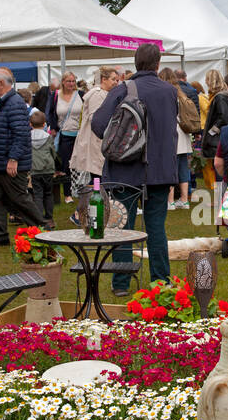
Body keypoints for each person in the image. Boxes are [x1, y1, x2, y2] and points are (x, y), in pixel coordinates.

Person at [90, 43, 178, 296]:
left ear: (136, 62)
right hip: (160, 170)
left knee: (123, 227)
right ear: (158, 64)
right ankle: (161, 282)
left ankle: (121, 283)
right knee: (156, 228)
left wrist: (120, 142)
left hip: (125, 168)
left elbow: (98, 124)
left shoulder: (122, 89)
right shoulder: (169, 91)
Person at [0, 67, 47, 246]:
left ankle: (41, 229)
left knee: (19, 198)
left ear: (1, 84)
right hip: (0, 161)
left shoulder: (14, 103)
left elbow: (21, 134)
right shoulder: (4, 102)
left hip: (10, 162)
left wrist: (14, 159)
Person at [70, 65, 117, 223]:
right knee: (97, 179)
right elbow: (97, 120)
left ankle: (89, 212)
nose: (116, 83)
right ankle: (79, 214)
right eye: (113, 79)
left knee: (98, 180)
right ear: (103, 79)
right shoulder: (98, 94)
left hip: (99, 142)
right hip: (95, 142)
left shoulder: (104, 94)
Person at [48, 71, 85, 205]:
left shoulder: (81, 95)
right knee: (66, 165)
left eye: (73, 81)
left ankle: (81, 190)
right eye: (68, 81)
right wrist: (53, 128)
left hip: (80, 135)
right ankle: (68, 193)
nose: (71, 84)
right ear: (63, 82)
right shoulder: (56, 96)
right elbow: (51, 113)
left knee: (81, 164)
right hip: (64, 135)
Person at [160, 67, 193, 210]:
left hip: (171, 133)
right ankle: (184, 200)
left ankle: (170, 201)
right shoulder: (181, 93)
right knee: (182, 167)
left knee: (170, 167)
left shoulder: (165, 93)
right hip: (183, 134)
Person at [201, 70, 228, 191]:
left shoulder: (220, 97)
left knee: (219, 167)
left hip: (219, 138)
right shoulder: (223, 96)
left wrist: (212, 130)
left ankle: (220, 197)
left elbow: (223, 117)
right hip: (224, 136)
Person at [27, 109, 57, 228]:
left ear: (30, 124)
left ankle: (39, 218)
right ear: (44, 124)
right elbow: (53, 152)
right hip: (48, 168)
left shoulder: (28, 137)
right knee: (48, 193)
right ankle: (49, 218)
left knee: (38, 194)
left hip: (34, 169)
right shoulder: (48, 137)